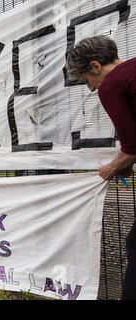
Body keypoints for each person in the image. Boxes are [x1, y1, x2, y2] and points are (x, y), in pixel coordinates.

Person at [66, 35, 136, 300]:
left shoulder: (112, 83)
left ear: (96, 66)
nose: (91, 89)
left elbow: (132, 144)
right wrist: (125, 163)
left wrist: (110, 169)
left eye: (86, 81)